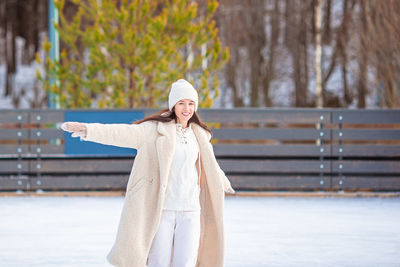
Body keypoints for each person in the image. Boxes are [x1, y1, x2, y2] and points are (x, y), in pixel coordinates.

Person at [61, 79, 235, 267]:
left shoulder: (199, 134)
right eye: (182, 103)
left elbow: (210, 164)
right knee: (158, 262)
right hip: (163, 210)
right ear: (173, 106)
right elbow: (120, 133)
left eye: (191, 103)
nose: (187, 108)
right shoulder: (153, 131)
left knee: (185, 263)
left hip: (191, 209)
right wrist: (88, 130)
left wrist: (223, 182)